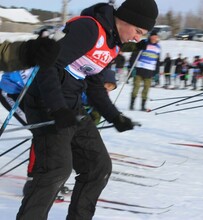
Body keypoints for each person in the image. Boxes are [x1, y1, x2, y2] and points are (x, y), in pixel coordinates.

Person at [16, 0, 158, 219]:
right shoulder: (90, 29)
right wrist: (57, 108)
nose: (137, 38)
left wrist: (114, 116)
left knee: (98, 167)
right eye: (138, 31)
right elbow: (48, 66)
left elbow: (94, 85)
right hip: (47, 103)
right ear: (125, 19)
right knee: (56, 170)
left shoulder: (112, 44)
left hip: (72, 105)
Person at [129, 30, 161, 111]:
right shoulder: (144, 43)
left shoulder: (158, 47)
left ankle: (143, 105)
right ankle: (132, 104)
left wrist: (156, 72)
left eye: (156, 36)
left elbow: (157, 61)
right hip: (140, 69)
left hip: (150, 71)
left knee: (146, 89)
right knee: (136, 87)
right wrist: (132, 67)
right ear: (150, 36)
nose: (155, 38)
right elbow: (134, 55)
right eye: (153, 36)